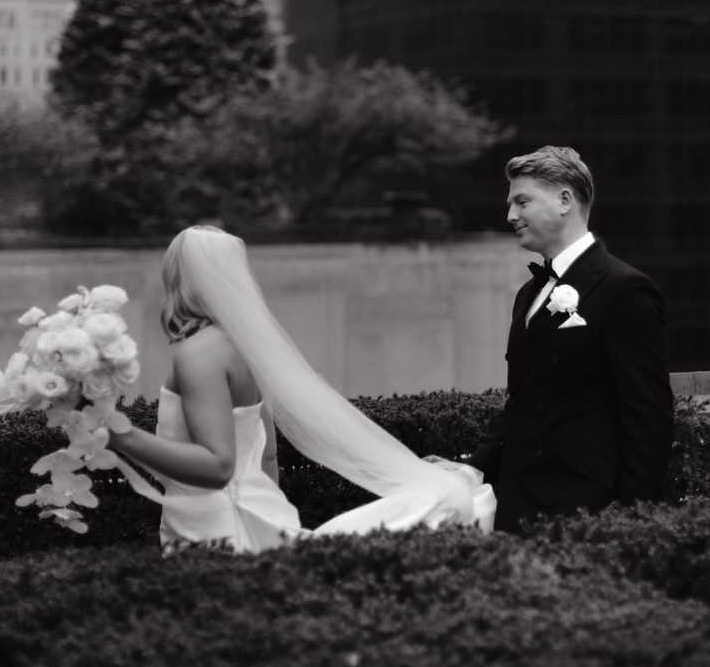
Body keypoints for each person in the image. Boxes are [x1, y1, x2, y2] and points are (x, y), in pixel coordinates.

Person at [107, 224, 493, 552]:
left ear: (175, 276)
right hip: (255, 514)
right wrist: (267, 524)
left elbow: (218, 466)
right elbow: (268, 457)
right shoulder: (243, 350)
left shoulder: (199, 355)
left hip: (212, 529)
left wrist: (118, 434)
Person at [464, 146, 675, 534]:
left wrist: (634, 522)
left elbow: (648, 418)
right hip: (517, 504)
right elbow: (522, 402)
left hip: (584, 512)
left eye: (521, 201)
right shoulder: (528, 294)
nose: (511, 215)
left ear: (565, 200)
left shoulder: (625, 289)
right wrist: (472, 468)